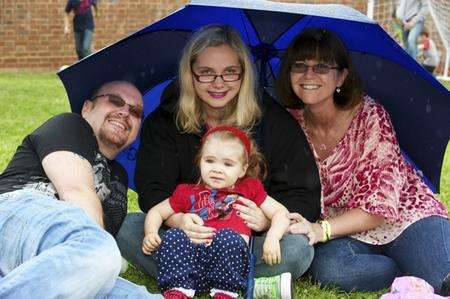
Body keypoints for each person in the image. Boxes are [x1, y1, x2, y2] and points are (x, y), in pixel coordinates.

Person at [116, 24, 321, 294]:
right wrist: (178, 221)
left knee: (297, 250)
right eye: (206, 73)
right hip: (185, 238)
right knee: (127, 227)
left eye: (230, 72)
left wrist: (266, 220)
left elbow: (304, 196)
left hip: (245, 240)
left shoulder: (271, 119)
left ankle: (191, 277)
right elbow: (152, 191)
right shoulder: (166, 121)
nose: (219, 83)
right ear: (190, 75)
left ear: (243, 74)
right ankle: (233, 281)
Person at [277, 27, 450, 295]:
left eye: (321, 67)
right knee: (330, 272)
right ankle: (400, 269)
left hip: (406, 218)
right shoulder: (287, 123)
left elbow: (381, 206)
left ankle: (414, 261)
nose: (309, 75)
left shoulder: (370, 115)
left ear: (342, 77)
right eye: (299, 66)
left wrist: (320, 229)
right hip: (345, 231)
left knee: (443, 277)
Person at [0, 81, 162, 298]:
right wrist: (99, 249)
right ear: (87, 108)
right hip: (19, 212)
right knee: (101, 253)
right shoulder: (70, 125)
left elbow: (85, 262)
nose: (124, 112)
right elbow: (76, 191)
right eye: (115, 100)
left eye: (135, 112)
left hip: (56, 263)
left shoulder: (119, 178)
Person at [142, 125, 291, 299]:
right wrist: (150, 233)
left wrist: (272, 238)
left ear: (243, 169)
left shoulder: (249, 188)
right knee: (173, 236)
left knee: (228, 237)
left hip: (229, 264)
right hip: (191, 263)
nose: (217, 169)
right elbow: (157, 211)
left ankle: (225, 292)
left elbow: (281, 212)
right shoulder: (187, 192)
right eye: (210, 161)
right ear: (200, 162)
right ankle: (178, 289)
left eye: (228, 164)